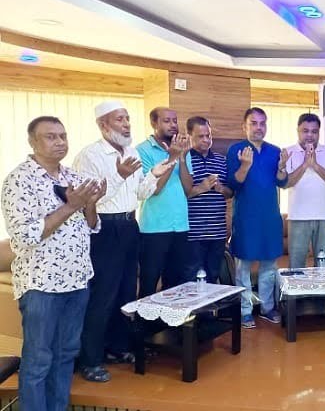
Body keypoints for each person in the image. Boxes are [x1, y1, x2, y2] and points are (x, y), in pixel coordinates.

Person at [2, 116, 105, 410]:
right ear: (32, 142)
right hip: (41, 285)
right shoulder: (19, 181)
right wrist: (71, 206)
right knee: (38, 359)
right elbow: (24, 237)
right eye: (50, 136)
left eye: (63, 135)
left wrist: (90, 204)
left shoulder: (72, 177)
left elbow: (91, 227)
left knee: (65, 355)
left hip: (77, 280)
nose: (60, 142)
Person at [74, 101, 174, 382]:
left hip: (130, 225)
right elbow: (91, 200)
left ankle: (119, 348)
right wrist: (119, 176)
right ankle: (91, 359)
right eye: (119, 119)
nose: (126, 124)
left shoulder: (131, 152)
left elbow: (141, 193)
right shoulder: (89, 156)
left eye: (127, 118)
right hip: (104, 228)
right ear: (103, 125)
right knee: (103, 296)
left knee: (127, 293)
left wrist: (155, 173)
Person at [227, 107, 288, 329]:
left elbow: (282, 182)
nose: (258, 127)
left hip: (270, 218)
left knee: (269, 266)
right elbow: (233, 185)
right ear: (244, 126)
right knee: (242, 267)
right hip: (246, 219)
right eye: (253, 123)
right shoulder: (236, 150)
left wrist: (282, 168)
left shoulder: (275, 151)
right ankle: (245, 311)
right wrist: (245, 165)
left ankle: (267, 308)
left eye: (262, 123)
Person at [136, 107, 194, 297]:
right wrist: (172, 158)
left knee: (176, 283)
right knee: (149, 281)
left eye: (175, 120)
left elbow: (188, 188)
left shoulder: (183, 150)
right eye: (167, 121)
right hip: (154, 228)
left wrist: (182, 158)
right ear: (154, 123)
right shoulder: (142, 150)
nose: (173, 125)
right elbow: (154, 189)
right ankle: (146, 317)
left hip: (180, 225)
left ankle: (171, 316)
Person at [283, 113, 325, 268]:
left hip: (324, 216)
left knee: (323, 265)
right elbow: (285, 183)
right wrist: (304, 164)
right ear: (298, 131)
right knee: (296, 266)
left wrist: (315, 165)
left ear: (319, 133)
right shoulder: (288, 152)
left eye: (314, 131)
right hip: (297, 217)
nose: (309, 135)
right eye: (305, 131)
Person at [186, 116, 233, 284]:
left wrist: (221, 189)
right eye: (201, 136)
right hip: (193, 233)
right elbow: (180, 195)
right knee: (192, 279)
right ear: (189, 136)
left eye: (209, 135)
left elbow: (230, 193)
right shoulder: (184, 160)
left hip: (218, 232)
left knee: (213, 277)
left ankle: (211, 304)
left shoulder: (221, 160)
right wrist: (202, 187)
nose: (206, 140)